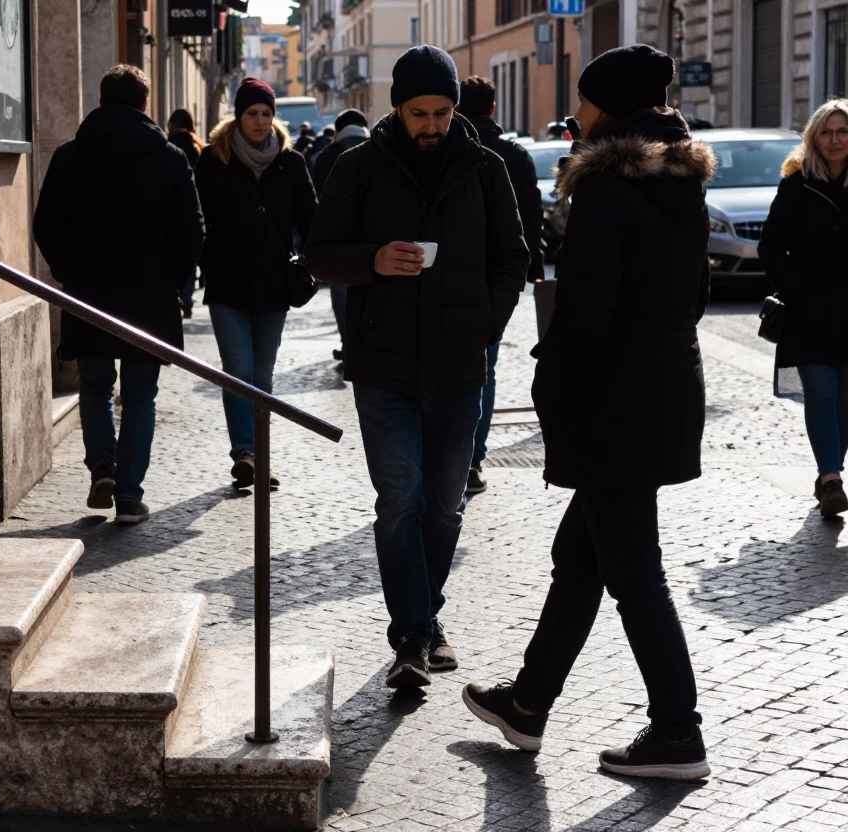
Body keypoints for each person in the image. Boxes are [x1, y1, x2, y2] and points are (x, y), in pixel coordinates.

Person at [463, 45, 714, 780]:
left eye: (583, 101)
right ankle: (528, 703)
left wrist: (550, 388)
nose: (575, 114)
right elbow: (694, 299)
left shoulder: (606, 189)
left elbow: (583, 314)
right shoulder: (683, 184)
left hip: (613, 404)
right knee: (580, 559)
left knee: (635, 574)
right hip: (665, 389)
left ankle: (678, 732)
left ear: (608, 109)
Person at [304, 46, 528, 688]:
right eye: (419, 113)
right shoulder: (358, 168)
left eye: (441, 112)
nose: (431, 125)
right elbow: (319, 254)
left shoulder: (485, 169)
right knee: (400, 501)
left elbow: (514, 258)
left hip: (460, 363)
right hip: (385, 365)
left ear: (455, 108)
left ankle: (425, 623)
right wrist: (373, 261)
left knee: (444, 506)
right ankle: (411, 637)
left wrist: (486, 325)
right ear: (397, 108)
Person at [33, 65, 204, 525]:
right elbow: (193, 230)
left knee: (95, 386)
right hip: (150, 296)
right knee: (140, 395)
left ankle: (102, 470)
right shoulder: (170, 158)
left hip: (89, 292)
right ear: (145, 104)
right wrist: (176, 282)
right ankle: (129, 496)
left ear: (102, 101)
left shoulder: (70, 156)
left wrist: (69, 272)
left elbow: (45, 225)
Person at [195, 78, 317, 488]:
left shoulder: (291, 162)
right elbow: (196, 218)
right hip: (226, 283)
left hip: (274, 285)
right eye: (252, 113)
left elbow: (311, 220)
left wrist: (311, 263)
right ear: (238, 116)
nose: (261, 121)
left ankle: (260, 456)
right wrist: (206, 259)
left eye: (267, 113)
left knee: (262, 376)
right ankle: (245, 452)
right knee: (238, 369)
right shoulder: (214, 158)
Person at [455, 76, 546, 494]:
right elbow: (531, 216)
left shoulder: (450, 150)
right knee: (484, 368)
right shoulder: (514, 154)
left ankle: (448, 458)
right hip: (496, 277)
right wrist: (534, 266)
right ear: (493, 108)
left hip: (451, 271)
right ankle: (472, 461)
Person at [759, 99, 848, 519]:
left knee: (845, 399)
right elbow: (770, 247)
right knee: (822, 391)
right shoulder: (796, 184)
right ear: (814, 138)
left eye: (843, 132)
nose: (835, 140)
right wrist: (795, 291)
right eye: (827, 132)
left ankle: (831, 473)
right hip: (809, 311)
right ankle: (830, 479)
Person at [311, 109, 372, 362]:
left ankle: (348, 342)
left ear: (338, 130)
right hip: (373, 236)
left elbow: (317, 196)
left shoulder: (328, 155)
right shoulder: (379, 150)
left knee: (341, 292)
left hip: (339, 238)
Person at [168, 108, 206, 319]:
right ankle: (187, 297)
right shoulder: (197, 146)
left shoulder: (166, 146)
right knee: (191, 254)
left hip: (171, 209)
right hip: (196, 204)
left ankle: (179, 294)